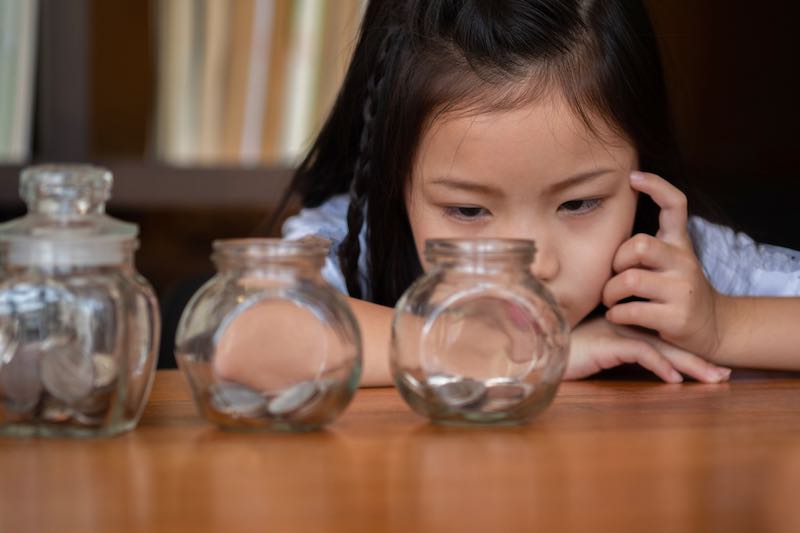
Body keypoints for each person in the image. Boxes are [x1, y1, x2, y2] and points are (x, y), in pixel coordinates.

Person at [276, 0, 800, 386]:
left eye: (578, 203)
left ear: (642, 166)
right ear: (396, 183)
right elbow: (247, 337)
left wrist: (722, 324)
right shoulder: (356, 240)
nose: (530, 264)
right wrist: (511, 352)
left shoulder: (672, 262)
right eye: (467, 209)